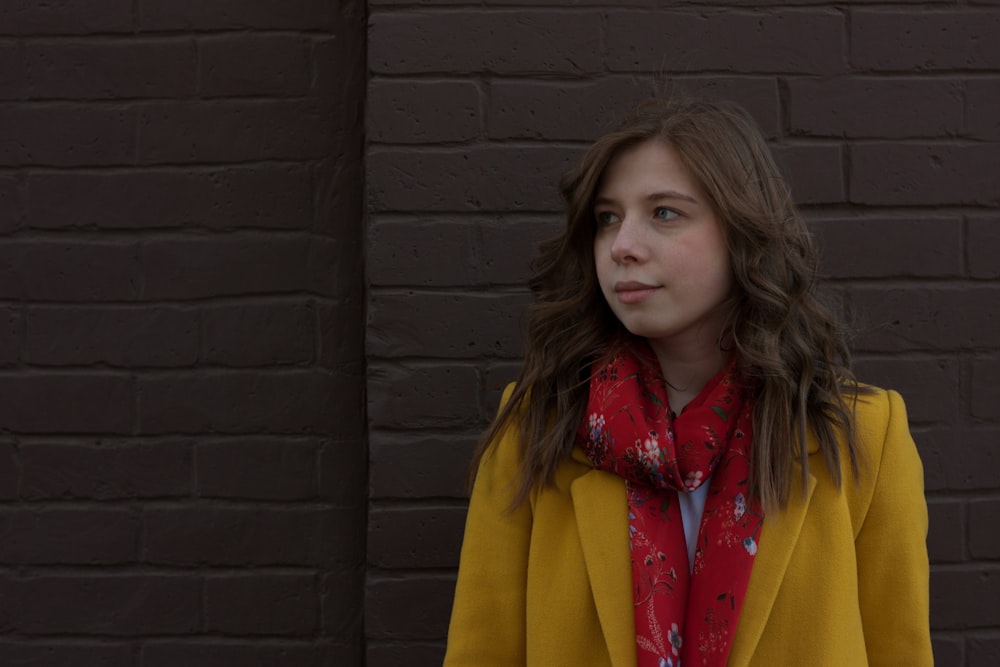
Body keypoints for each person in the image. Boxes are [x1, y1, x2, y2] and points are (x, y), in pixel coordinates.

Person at [443, 98, 932, 666]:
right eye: (607, 218)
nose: (622, 245)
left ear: (743, 229)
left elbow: (901, 652)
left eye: (665, 213)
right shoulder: (539, 427)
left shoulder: (862, 433)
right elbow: (483, 652)